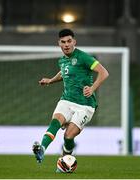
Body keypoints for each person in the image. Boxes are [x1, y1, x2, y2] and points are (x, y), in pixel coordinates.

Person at [32, 28, 109, 163]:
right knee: (55, 122)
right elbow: (63, 73)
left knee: (68, 136)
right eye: (63, 42)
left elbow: (104, 72)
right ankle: (42, 149)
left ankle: (65, 161)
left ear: (74, 42)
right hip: (66, 100)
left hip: (85, 105)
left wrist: (92, 88)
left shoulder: (83, 57)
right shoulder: (62, 61)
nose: (66, 44)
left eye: (69, 41)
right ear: (59, 44)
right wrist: (50, 80)